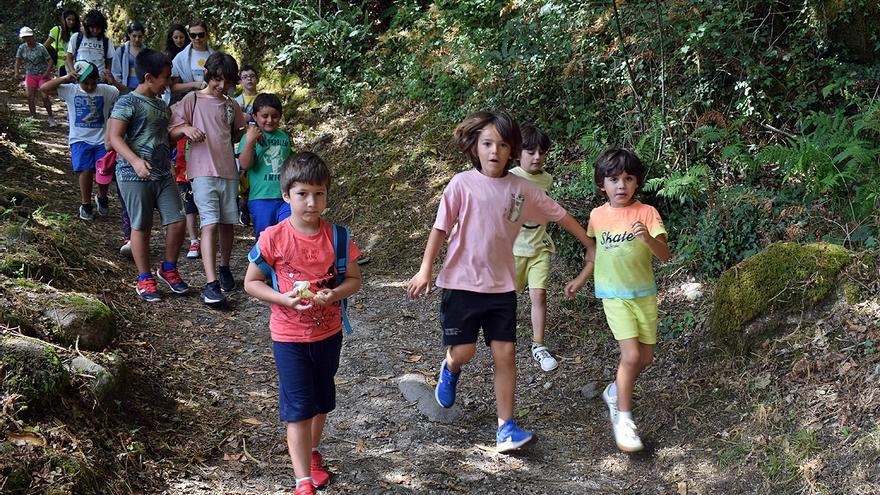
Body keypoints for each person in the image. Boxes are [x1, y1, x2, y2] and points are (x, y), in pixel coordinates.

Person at [406, 111, 593, 453]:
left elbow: (560, 215)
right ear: (474, 147)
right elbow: (439, 228)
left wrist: (589, 244)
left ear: (513, 151)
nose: (494, 151)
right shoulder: (461, 184)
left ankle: (505, 427)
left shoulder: (523, 189)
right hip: (461, 285)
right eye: (487, 143)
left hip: (502, 287)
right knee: (464, 351)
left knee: (505, 354)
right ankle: (450, 368)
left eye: (502, 145)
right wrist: (425, 269)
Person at [243, 152, 362, 495]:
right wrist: (284, 299)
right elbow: (251, 282)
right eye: (302, 194)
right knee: (298, 407)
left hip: (328, 333)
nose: (311, 202)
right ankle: (302, 481)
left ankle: (311, 453)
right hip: (288, 336)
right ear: (286, 195)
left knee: (321, 400)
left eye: (319, 193)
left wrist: (334, 294)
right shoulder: (273, 237)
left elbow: (354, 279)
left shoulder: (338, 237)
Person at [564, 148, 671, 452]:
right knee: (632, 356)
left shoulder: (647, 213)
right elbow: (596, 253)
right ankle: (624, 420)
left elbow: (665, 255)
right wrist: (581, 279)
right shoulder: (597, 215)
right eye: (613, 179)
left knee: (646, 358)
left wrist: (648, 238)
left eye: (628, 178)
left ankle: (614, 391)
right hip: (613, 296)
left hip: (644, 294)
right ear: (602, 184)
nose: (621, 185)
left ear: (637, 183)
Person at [107, 48, 190, 302]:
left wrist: (183, 131)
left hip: (163, 172)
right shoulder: (127, 102)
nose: (169, 82)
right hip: (134, 175)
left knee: (177, 221)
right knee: (141, 226)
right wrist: (134, 161)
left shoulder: (161, 105)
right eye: (166, 77)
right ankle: (144, 278)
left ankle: (168, 268)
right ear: (149, 78)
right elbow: (114, 138)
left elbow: (160, 136)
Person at [169, 52, 246, 306]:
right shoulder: (192, 100)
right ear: (208, 76)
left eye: (227, 82)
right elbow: (171, 130)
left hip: (227, 171)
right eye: (217, 80)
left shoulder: (231, 105)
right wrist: (185, 129)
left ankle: (224, 267)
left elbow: (236, 134)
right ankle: (211, 283)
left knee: (227, 223)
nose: (221, 86)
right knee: (210, 223)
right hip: (201, 171)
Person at [40, 61, 118, 220]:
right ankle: (86, 203)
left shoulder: (105, 91)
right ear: (78, 81)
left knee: (104, 171)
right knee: (86, 170)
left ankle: (102, 197)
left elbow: (125, 93)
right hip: (79, 139)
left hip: (102, 139)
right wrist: (66, 77)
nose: (89, 87)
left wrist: (113, 81)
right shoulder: (70, 90)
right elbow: (44, 88)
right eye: (85, 83)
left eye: (92, 83)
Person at [509, 126, 559, 372]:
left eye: (542, 152)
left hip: (540, 247)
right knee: (507, 297)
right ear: (519, 152)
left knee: (538, 294)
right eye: (531, 151)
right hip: (514, 250)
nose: (537, 156)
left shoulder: (547, 179)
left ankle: (538, 345)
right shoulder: (511, 177)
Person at [238, 93, 292, 240]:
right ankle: (263, 263)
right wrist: (250, 140)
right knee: (265, 239)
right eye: (265, 116)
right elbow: (245, 164)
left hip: (285, 197)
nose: (270, 120)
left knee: (289, 233)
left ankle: (286, 263)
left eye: (274, 116)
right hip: (261, 198)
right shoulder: (248, 137)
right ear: (255, 116)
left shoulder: (284, 137)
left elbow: (290, 164)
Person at [15, 27, 56, 127]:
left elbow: (50, 60)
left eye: (29, 37)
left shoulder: (40, 47)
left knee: (45, 96)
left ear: (33, 37)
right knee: (30, 96)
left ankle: (51, 118)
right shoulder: (22, 48)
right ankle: (33, 118)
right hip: (30, 75)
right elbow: (18, 60)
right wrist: (16, 72)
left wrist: (47, 72)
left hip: (42, 75)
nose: (27, 40)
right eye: (25, 38)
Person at [235, 64, 260, 226]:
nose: (249, 79)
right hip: (240, 144)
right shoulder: (236, 102)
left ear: (257, 79)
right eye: (245, 77)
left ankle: (253, 205)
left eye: (252, 76)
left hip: (260, 142)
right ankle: (243, 205)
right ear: (240, 81)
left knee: (256, 174)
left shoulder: (263, 99)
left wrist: (249, 116)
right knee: (242, 177)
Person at [169, 20, 213, 105]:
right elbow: (172, 87)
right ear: (189, 36)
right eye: (193, 35)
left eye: (201, 35)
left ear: (207, 35)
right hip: (190, 103)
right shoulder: (181, 58)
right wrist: (193, 84)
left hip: (211, 101)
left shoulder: (215, 56)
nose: (197, 38)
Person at [66, 10, 114, 82]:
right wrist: (72, 71)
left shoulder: (106, 41)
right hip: (81, 79)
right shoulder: (76, 37)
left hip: (99, 80)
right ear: (87, 26)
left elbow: (109, 61)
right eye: (92, 27)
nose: (95, 30)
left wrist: (106, 75)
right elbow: (69, 57)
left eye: (98, 28)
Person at [111, 22, 147, 92]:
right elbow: (116, 72)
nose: (137, 39)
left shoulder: (146, 51)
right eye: (134, 36)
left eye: (140, 36)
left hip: (142, 89)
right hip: (125, 88)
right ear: (129, 34)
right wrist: (120, 86)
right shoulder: (121, 51)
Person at [44, 9, 80, 77]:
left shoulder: (77, 33)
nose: (71, 22)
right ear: (64, 20)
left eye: (73, 20)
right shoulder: (57, 30)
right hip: (61, 65)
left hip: (75, 65)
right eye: (69, 19)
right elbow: (44, 47)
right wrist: (50, 62)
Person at [162, 23, 189, 105]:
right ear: (171, 38)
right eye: (175, 37)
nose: (179, 40)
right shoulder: (167, 55)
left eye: (181, 37)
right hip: (174, 95)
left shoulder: (189, 52)